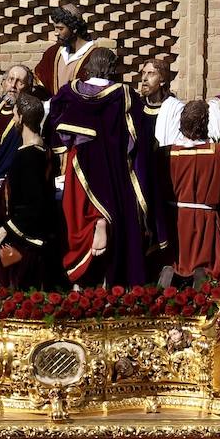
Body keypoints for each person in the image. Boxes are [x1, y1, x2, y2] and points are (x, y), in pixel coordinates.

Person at [47, 47, 159, 287]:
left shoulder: (70, 92)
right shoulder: (124, 95)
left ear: (89, 66)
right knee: (119, 217)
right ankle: (111, 279)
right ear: (113, 68)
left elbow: (50, 117)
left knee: (75, 216)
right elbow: (142, 135)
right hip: (112, 169)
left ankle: (82, 280)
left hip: (79, 169)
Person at [164, 100, 220, 279]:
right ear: (206, 124)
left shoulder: (167, 154)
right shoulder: (219, 153)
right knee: (210, 273)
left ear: (181, 123)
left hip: (174, 221)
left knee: (174, 264)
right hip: (205, 221)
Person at [0, 94, 66, 289]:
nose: (14, 119)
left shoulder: (28, 157)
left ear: (22, 118)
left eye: (15, 115)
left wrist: (7, 227)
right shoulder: (43, 150)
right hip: (26, 236)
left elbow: (34, 205)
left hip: (25, 243)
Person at [139, 56, 220, 148]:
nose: (144, 78)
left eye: (151, 74)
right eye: (143, 73)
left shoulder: (175, 108)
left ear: (162, 81)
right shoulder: (137, 107)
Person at [32, 3, 98, 99]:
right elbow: (39, 84)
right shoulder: (53, 52)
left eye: (60, 29)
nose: (56, 33)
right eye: (55, 28)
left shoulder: (94, 57)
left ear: (74, 28)